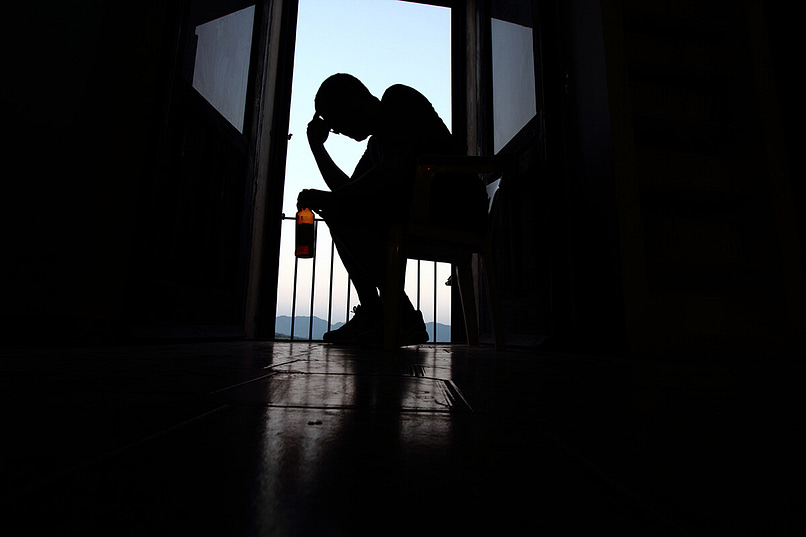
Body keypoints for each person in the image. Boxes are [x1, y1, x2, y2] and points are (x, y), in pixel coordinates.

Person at [298, 73, 486, 347]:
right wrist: (317, 149)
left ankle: (398, 315)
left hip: (454, 207)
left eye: (337, 120)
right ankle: (379, 313)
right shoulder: (376, 144)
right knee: (339, 208)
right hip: (426, 210)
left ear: (355, 99)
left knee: (339, 208)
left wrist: (329, 200)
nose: (340, 130)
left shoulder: (398, 100)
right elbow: (348, 191)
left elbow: (392, 172)